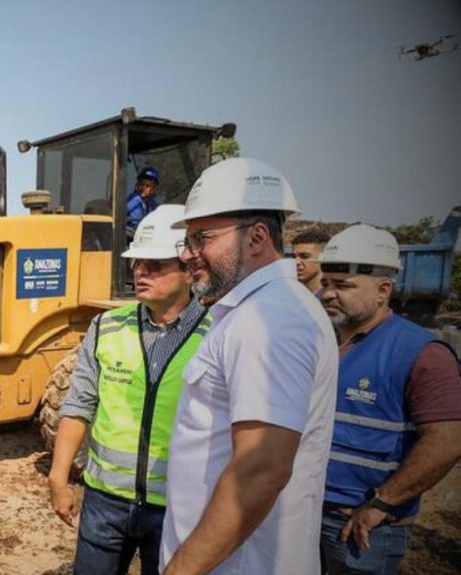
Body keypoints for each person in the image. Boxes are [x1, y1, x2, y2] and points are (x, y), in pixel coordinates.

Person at [159, 158, 339, 575]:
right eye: (187, 240)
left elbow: (261, 469)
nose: (188, 254)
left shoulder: (271, 319)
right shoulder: (255, 311)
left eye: (202, 237)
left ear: (257, 236)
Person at [48, 205, 211, 575]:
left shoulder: (217, 333)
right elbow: (78, 404)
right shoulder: (106, 326)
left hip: (177, 503)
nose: (140, 271)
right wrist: (59, 477)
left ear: (188, 268)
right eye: (137, 262)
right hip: (104, 501)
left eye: (154, 264)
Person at [317, 224, 461, 574]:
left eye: (343, 285)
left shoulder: (420, 353)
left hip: (361, 526)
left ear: (383, 290)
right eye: (326, 283)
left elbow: (448, 440)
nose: (327, 294)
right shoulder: (321, 341)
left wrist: (383, 502)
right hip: (307, 512)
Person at [290, 228, 331, 294]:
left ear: (324, 258)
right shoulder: (291, 294)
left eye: (305, 256)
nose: (296, 262)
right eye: (294, 257)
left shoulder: (330, 298)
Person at [125, 167, 161, 236]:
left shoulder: (151, 204)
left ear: (153, 189)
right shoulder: (134, 199)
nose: (143, 188)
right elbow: (133, 222)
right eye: (141, 184)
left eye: (147, 186)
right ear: (137, 184)